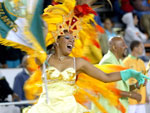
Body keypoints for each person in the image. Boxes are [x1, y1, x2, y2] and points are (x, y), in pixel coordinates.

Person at [23, 0, 150, 113]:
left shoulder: (77, 63)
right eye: (67, 38)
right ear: (57, 41)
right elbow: (39, 36)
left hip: (70, 110)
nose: (71, 42)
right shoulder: (44, 59)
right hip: (44, 109)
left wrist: (130, 73)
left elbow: (106, 77)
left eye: (73, 40)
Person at [92, 37, 142, 113]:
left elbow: (122, 87)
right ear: (115, 47)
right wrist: (131, 95)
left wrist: (135, 85)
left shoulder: (119, 61)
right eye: (123, 45)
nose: (126, 46)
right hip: (108, 108)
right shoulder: (108, 61)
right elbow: (109, 90)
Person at [123, 40, 149, 113]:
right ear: (135, 48)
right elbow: (122, 81)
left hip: (141, 98)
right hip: (130, 99)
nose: (142, 49)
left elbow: (145, 81)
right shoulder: (126, 62)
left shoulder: (141, 62)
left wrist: (146, 96)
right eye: (141, 47)